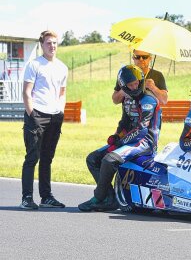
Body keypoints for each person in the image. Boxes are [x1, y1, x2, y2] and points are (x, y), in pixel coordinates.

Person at [78, 64, 161, 212]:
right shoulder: (127, 99)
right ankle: (109, 198)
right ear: (124, 86)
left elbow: (141, 130)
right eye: (130, 84)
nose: (135, 87)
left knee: (109, 160)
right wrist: (117, 135)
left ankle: (98, 198)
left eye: (137, 82)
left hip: (145, 142)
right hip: (128, 140)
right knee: (92, 158)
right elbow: (125, 122)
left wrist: (119, 143)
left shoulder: (148, 100)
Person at [20, 30, 68, 209]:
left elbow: (62, 93)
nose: (52, 46)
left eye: (55, 43)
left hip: (55, 116)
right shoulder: (34, 65)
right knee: (32, 157)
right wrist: (32, 115)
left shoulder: (62, 67)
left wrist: (60, 111)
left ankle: (46, 196)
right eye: (49, 43)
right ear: (42, 45)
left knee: (47, 158)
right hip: (37, 114)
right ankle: (26, 198)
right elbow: (26, 92)